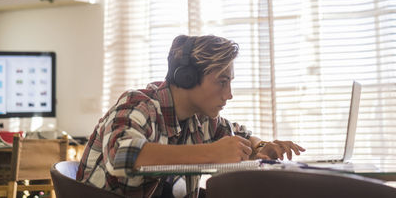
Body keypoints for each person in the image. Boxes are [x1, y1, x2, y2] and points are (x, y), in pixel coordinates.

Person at [77, 35, 305, 198]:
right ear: (187, 78)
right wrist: (213, 152)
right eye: (222, 82)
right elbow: (120, 156)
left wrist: (262, 147)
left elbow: (240, 135)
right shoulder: (139, 106)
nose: (229, 94)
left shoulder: (203, 119)